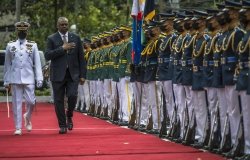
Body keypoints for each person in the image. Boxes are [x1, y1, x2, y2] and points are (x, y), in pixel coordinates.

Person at [45, 17, 86, 134]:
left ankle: (69, 115)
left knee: (72, 95)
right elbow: (48, 55)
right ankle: (62, 125)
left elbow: (81, 58)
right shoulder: (51, 38)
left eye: (66, 24)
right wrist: (62, 48)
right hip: (57, 74)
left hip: (73, 74)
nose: (64, 26)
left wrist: (83, 75)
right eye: (62, 25)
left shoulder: (76, 38)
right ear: (57, 26)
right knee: (58, 100)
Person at [3, 21, 43, 135]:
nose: (22, 32)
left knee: (31, 101)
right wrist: (6, 80)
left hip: (29, 77)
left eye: (24, 31)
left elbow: (38, 63)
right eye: (20, 31)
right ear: (17, 32)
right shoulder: (10, 45)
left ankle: (27, 116)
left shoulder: (32, 45)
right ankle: (18, 127)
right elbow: (7, 64)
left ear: (27, 32)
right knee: (16, 103)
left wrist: (39, 78)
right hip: (15, 78)